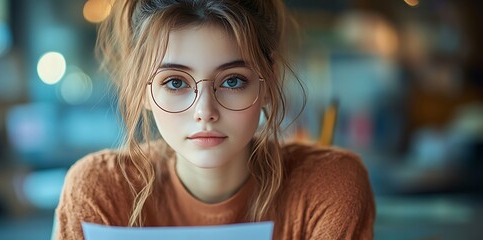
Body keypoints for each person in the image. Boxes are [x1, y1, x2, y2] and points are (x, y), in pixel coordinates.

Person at [55, 0, 375, 239]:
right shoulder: (100, 191)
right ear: (141, 89)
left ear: (268, 82)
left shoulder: (328, 186)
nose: (205, 111)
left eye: (233, 80)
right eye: (176, 82)